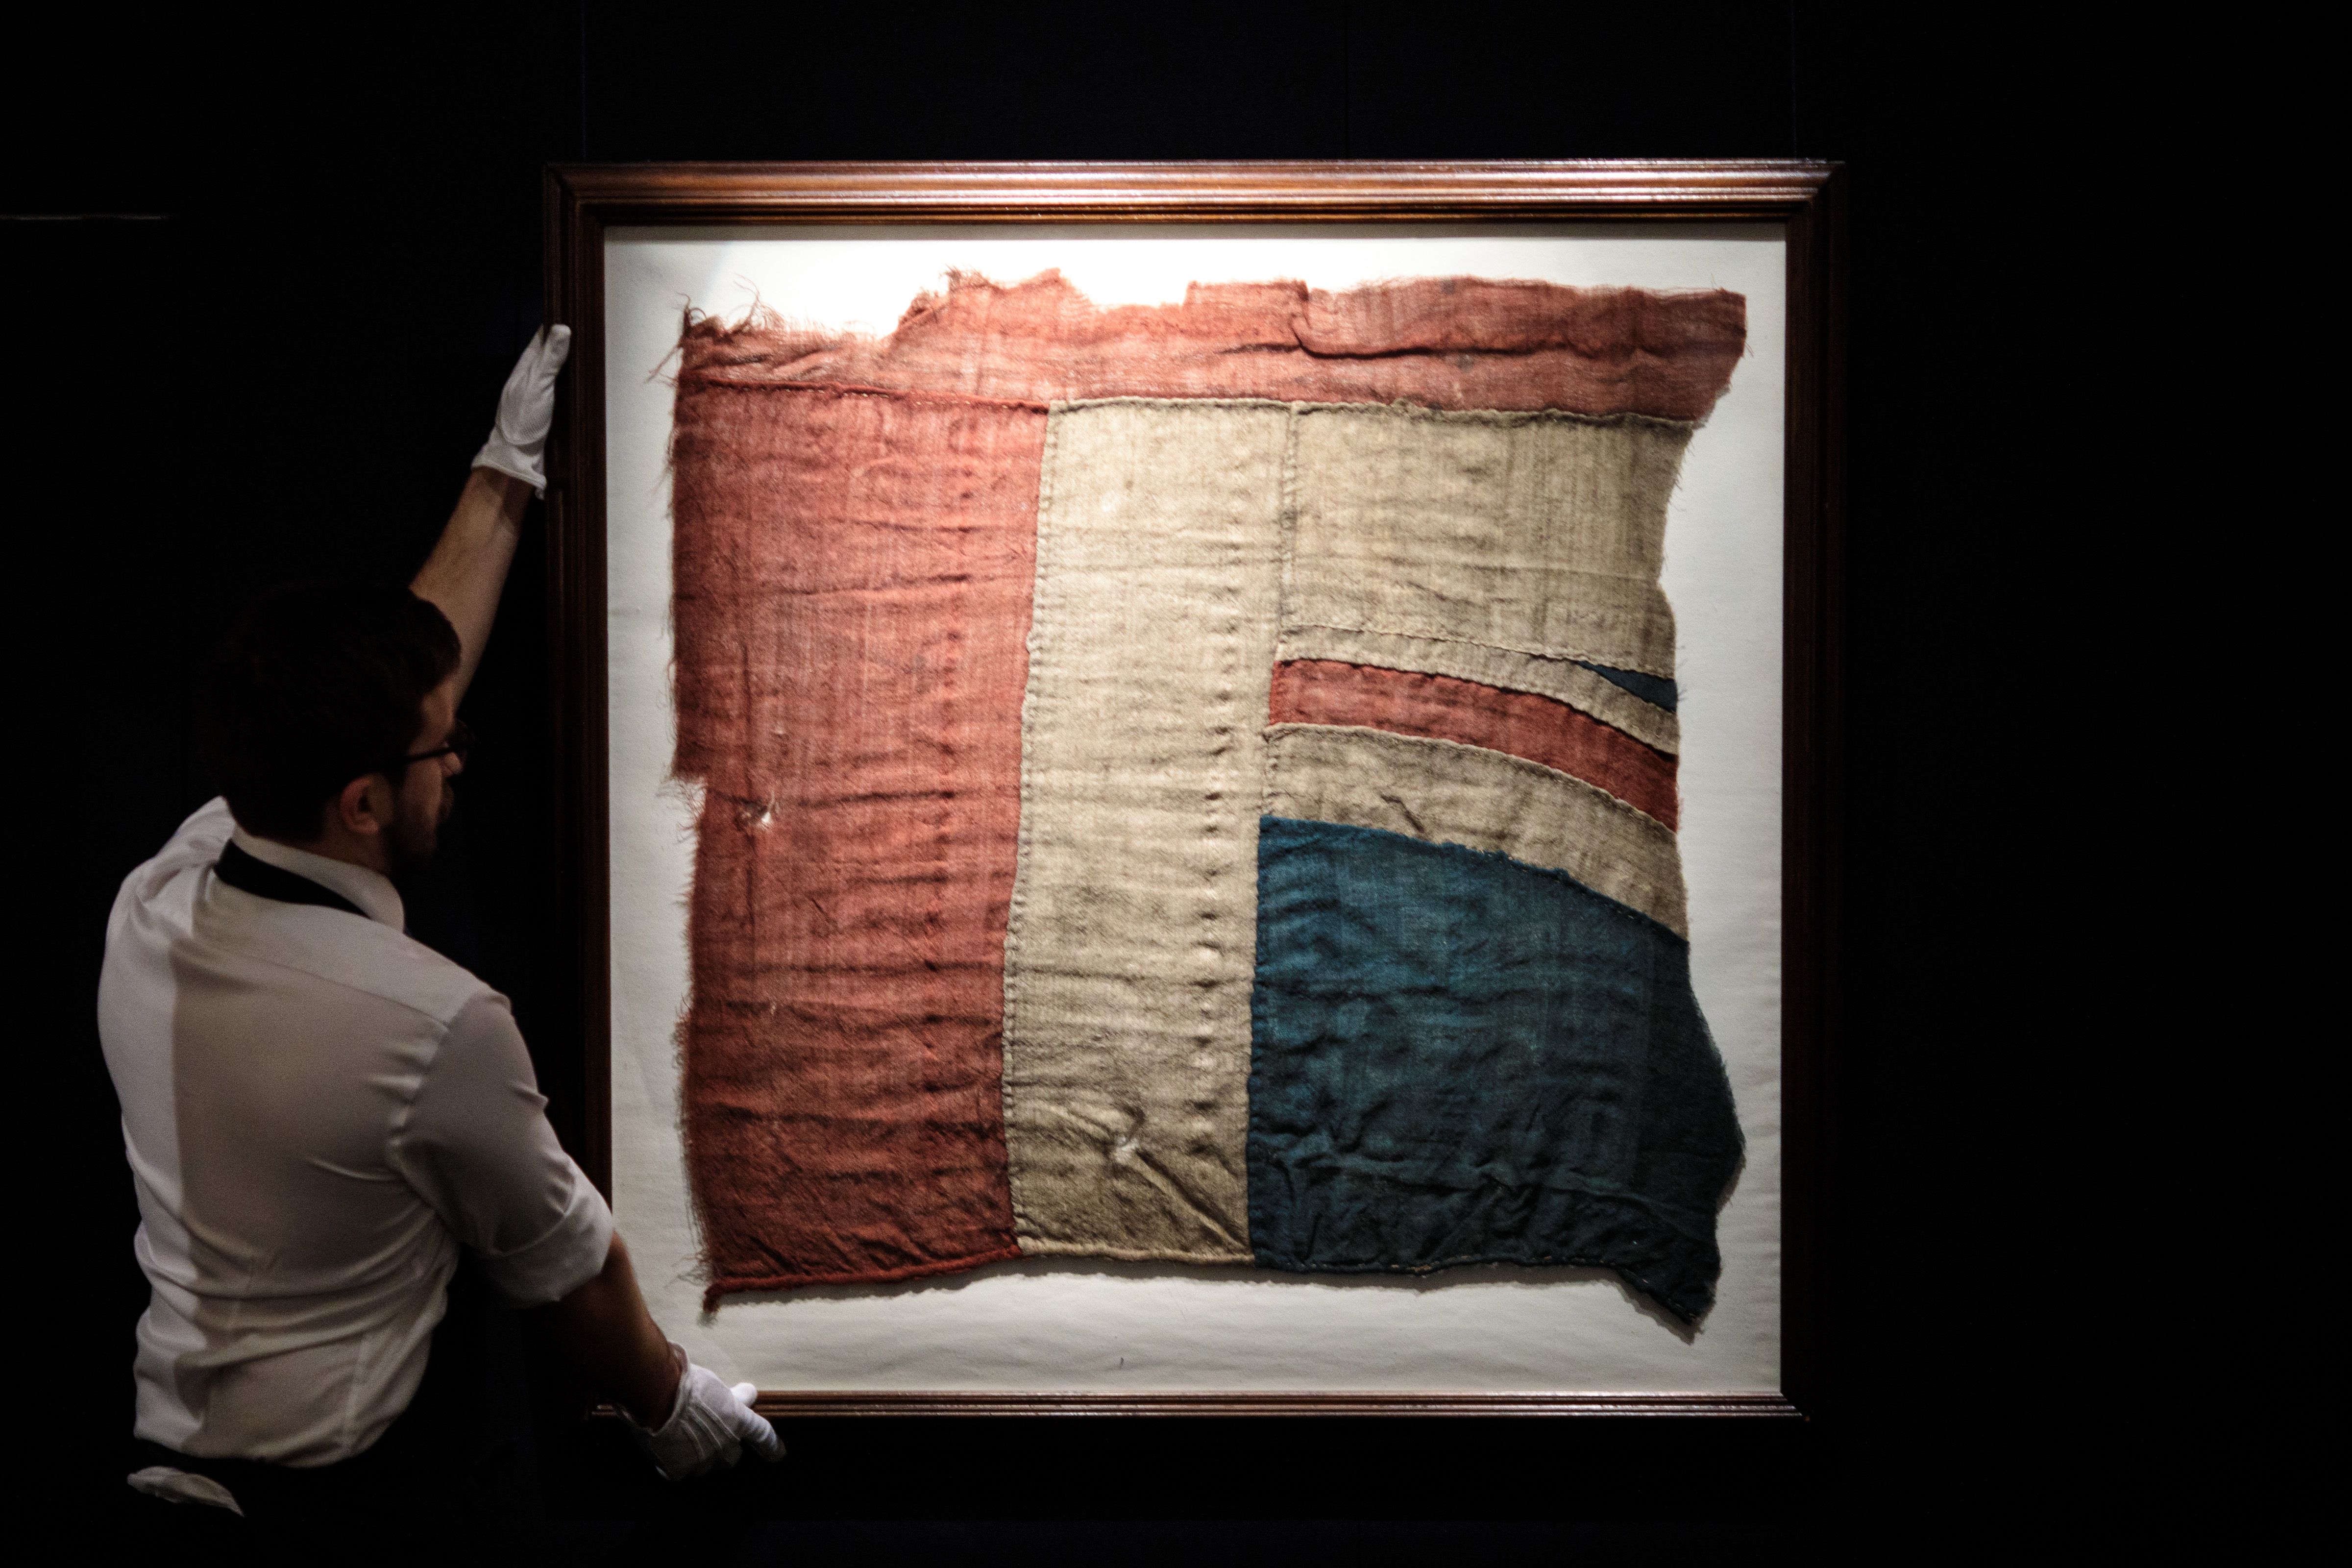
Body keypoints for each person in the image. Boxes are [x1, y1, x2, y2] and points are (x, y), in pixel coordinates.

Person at [98, 327, 779, 1533]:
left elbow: (406, 669)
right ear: (363, 802)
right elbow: (574, 1282)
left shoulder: (166, 888)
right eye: (440, 749)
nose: (460, 759)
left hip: (170, 1482)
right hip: (346, 1510)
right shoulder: (431, 1023)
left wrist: (504, 469)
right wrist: (680, 1412)